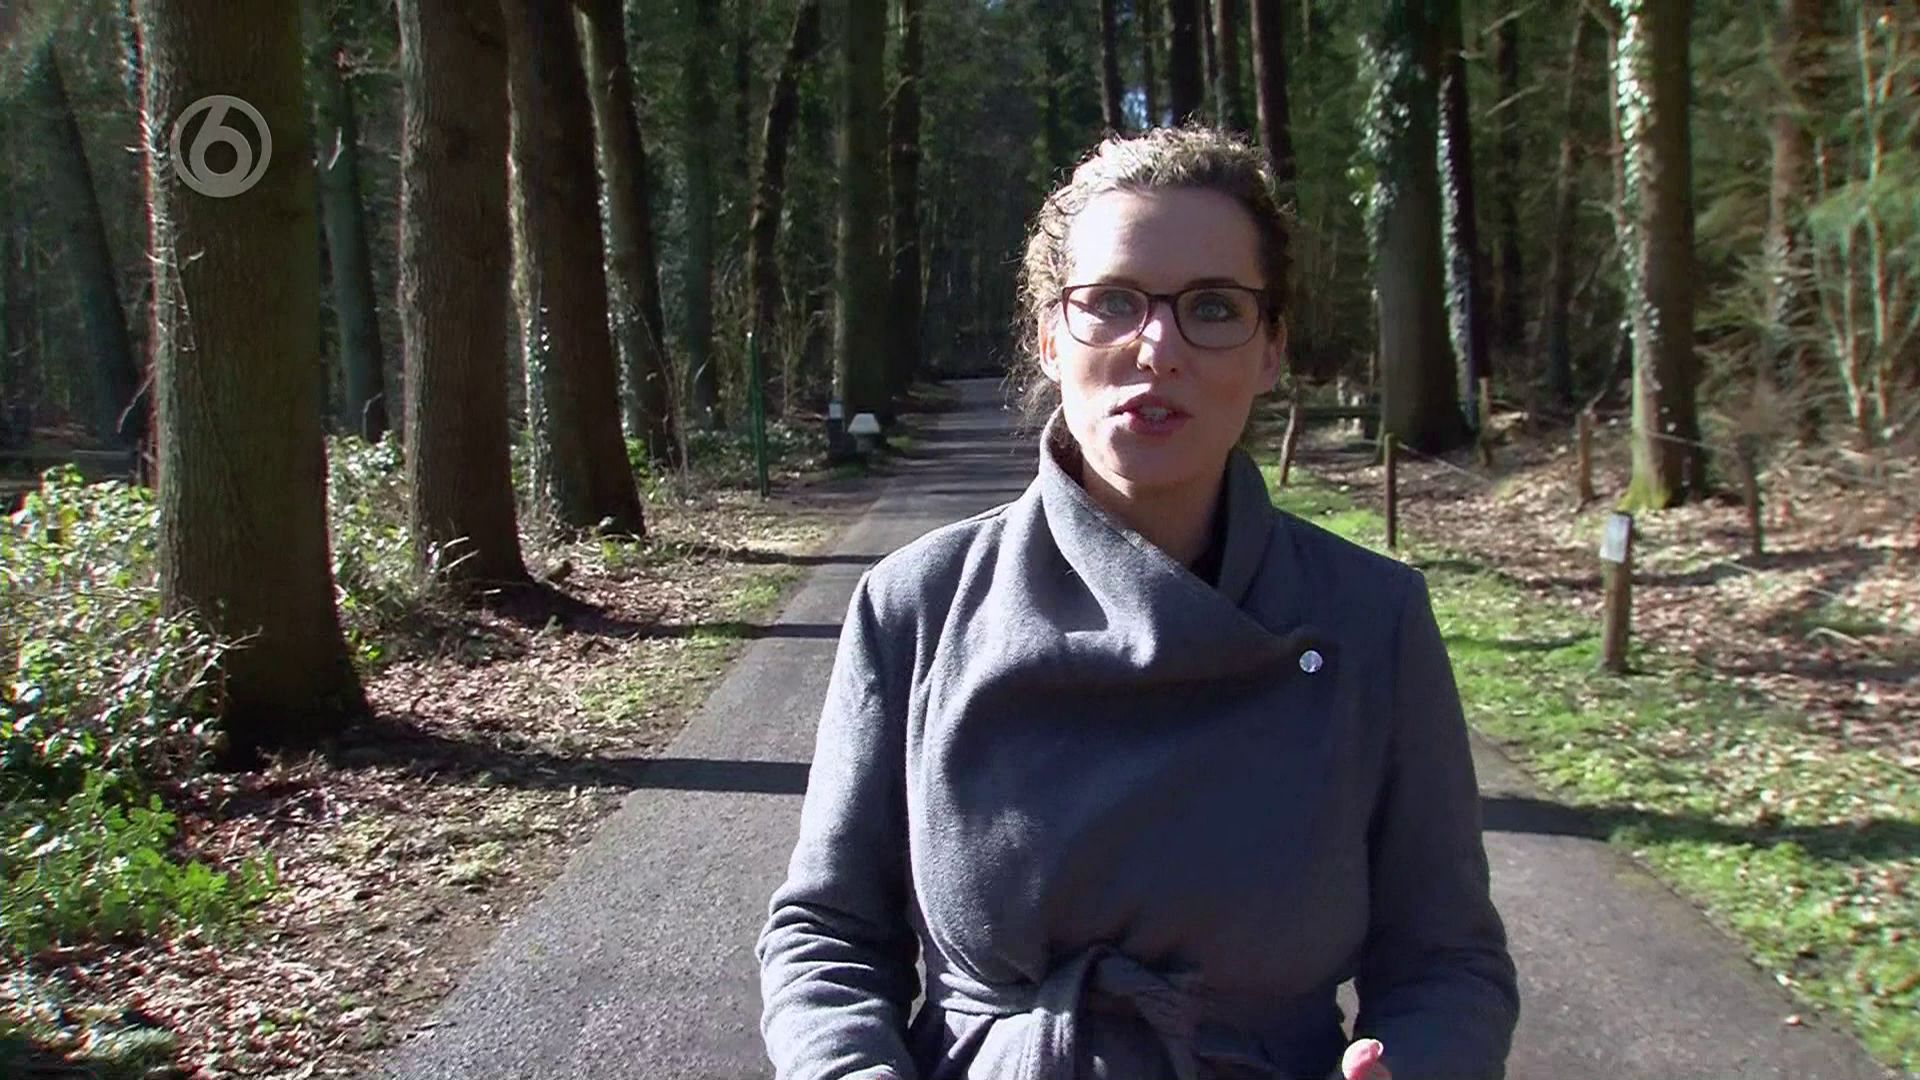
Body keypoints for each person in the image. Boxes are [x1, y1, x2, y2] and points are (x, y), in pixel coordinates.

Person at [756, 126, 1518, 1080]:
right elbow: (827, 933)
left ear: (1272, 349)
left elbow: (1447, 962)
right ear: (1050, 336)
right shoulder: (917, 605)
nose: (1156, 348)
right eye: (1113, 302)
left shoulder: (1373, 619)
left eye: (1213, 307)